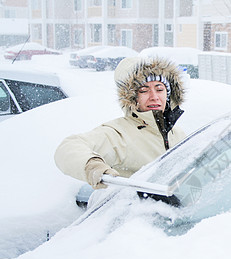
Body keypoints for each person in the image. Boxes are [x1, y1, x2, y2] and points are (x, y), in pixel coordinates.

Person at [54, 56, 186, 203]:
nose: (154, 97)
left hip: (178, 217)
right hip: (137, 220)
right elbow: (68, 147)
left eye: (159, 89)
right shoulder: (119, 134)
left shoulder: (178, 134)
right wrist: (92, 166)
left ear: (168, 94)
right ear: (132, 97)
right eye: (144, 90)